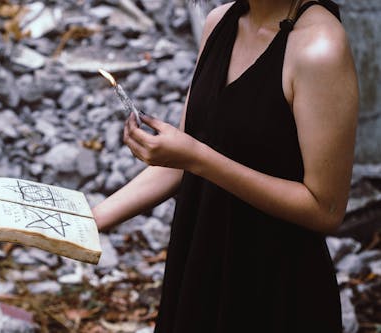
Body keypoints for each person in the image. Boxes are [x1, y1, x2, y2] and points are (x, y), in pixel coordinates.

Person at [92, 0, 359, 331]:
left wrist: (197, 158)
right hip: (200, 267)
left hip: (273, 286)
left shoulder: (320, 47)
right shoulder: (219, 22)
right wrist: (91, 220)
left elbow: (325, 208)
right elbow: (181, 161)